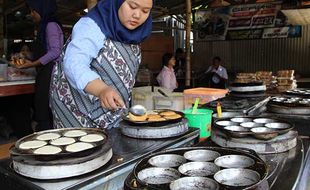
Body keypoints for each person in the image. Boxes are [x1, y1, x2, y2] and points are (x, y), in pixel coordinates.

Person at [50, 0, 154, 129]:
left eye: (145, 11)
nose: (137, 15)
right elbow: (74, 64)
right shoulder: (91, 26)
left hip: (111, 110)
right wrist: (101, 90)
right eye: (132, 6)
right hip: (77, 110)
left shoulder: (135, 33)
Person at [15, 0, 64, 131]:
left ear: (42, 10)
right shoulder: (43, 27)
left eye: (33, 11)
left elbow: (55, 51)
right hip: (44, 72)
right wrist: (28, 55)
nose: (32, 14)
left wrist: (32, 64)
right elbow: (44, 51)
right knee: (42, 108)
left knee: (45, 109)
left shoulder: (51, 25)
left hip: (51, 73)